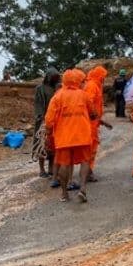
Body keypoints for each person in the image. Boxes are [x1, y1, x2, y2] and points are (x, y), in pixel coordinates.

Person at [45, 69, 97, 202]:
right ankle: (83, 189)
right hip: (83, 136)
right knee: (85, 161)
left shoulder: (57, 96)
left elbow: (49, 120)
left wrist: (48, 135)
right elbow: (93, 113)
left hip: (64, 137)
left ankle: (64, 194)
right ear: (78, 81)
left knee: (64, 164)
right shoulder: (84, 95)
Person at [84, 66, 113, 182]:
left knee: (91, 148)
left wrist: (101, 121)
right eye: (103, 77)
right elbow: (89, 103)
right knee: (90, 148)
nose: (104, 79)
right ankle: (87, 172)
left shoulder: (94, 85)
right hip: (90, 124)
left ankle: (88, 171)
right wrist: (96, 117)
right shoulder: (92, 86)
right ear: (99, 76)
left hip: (93, 122)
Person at [34, 67, 60, 180]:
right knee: (42, 145)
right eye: (53, 77)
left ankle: (50, 168)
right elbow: (38, 103)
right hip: (43, 121)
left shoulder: (58, 88)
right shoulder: (40, 89)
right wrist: (41, 116)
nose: (55, 79)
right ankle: (41, 169)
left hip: (56, 121)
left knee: (52, 147)